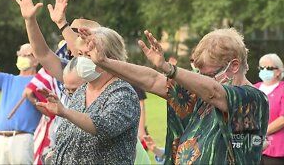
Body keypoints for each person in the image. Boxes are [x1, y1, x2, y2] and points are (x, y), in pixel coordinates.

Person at [84, 27, 269, 164]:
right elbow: (152, 80)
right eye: (199, 73)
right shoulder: (201, 92)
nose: (201, 79)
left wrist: (170, 69)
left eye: (209, 75)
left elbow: (214, 92)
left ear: (234, 66)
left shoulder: (252, 98)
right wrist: (104, 61)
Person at [15, 0, 140, 164]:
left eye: (87, 55)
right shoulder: (82, 88)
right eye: (79, 54)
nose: (79, 60)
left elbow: (102, 126)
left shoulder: (122, 94)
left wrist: (65, 112)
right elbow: (43, 54)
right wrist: (30, 20)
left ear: (109, 59)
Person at [0, 41, 42, 164]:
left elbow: (48, 110)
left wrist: (33, 100)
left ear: (36, 60)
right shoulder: (8, 79)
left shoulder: (39, 82)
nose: (21, 57)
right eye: (19, 54)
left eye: (26, 55)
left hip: (22, 139)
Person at [254, 53, 284, 165]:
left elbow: (283, 119)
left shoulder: (282, 89)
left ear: (279, 71)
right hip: (254, 147)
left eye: (269, 68)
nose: (265, 70)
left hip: (275, 150)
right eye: (262, 68)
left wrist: (263, 132)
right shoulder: (253, 88)